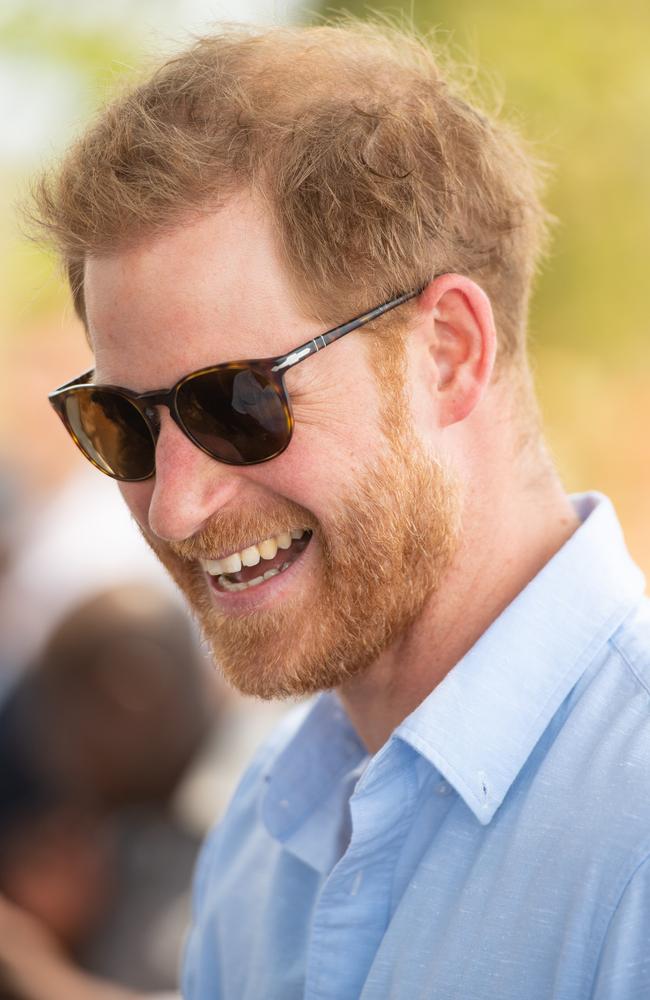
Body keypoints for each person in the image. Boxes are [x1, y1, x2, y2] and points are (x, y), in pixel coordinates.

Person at [27, 21, 650, 999]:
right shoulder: (262, 835)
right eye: (120, 422)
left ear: (446, 351)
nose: (177, 509)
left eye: (236, 402)